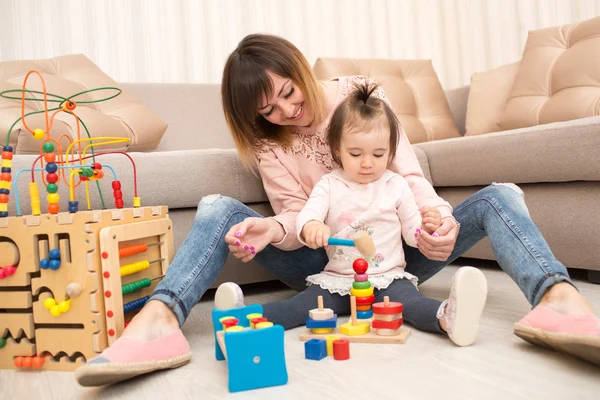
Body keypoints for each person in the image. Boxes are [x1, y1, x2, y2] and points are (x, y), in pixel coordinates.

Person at [75, 33, 600, 387]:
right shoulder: (268, 145)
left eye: (286, 92)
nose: (286, 111)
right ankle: (158, 322)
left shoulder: (359, 98)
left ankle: (559, 302)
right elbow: (297, 214)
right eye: (268, 109)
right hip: (321, 260)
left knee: (502, 196)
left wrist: (436, 224)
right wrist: (268, 229)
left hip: (402, 251)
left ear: (297, 67)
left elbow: (411, 178)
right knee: (217, 208)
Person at [290, 80, 487, 346]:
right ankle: (241, 316)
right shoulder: (329, 184)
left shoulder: (395, 184)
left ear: (390, 152)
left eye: (379, 154)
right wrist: (311, 226)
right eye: (356, 153)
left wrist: (427, 228)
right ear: (337, 149)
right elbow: (307, 214)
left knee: (412, 303)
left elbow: (412, 234)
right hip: (338, 279)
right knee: (298, 306)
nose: (367, 163)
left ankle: (448, 317)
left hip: (388, 277)